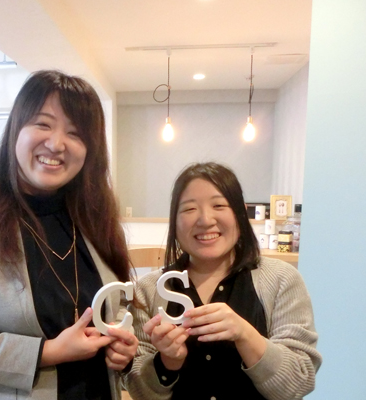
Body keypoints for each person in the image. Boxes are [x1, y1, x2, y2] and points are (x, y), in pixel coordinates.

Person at [0, 70, 138, 400]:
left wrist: (121, 348)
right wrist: (45, 353)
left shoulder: (96, 223)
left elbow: (114, 309)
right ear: (16, 130)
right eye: (43, 124)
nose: (57, 144)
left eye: (75, 133)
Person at [123, 162, 321, 400]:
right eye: (189, 209)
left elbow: (298, 383)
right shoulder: (148, 290)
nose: (205, 220)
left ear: (240, 214)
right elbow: (139, 391)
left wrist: (245, 334)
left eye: (219, 205)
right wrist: (167, 362)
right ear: (174, 221)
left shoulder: (282, 280)